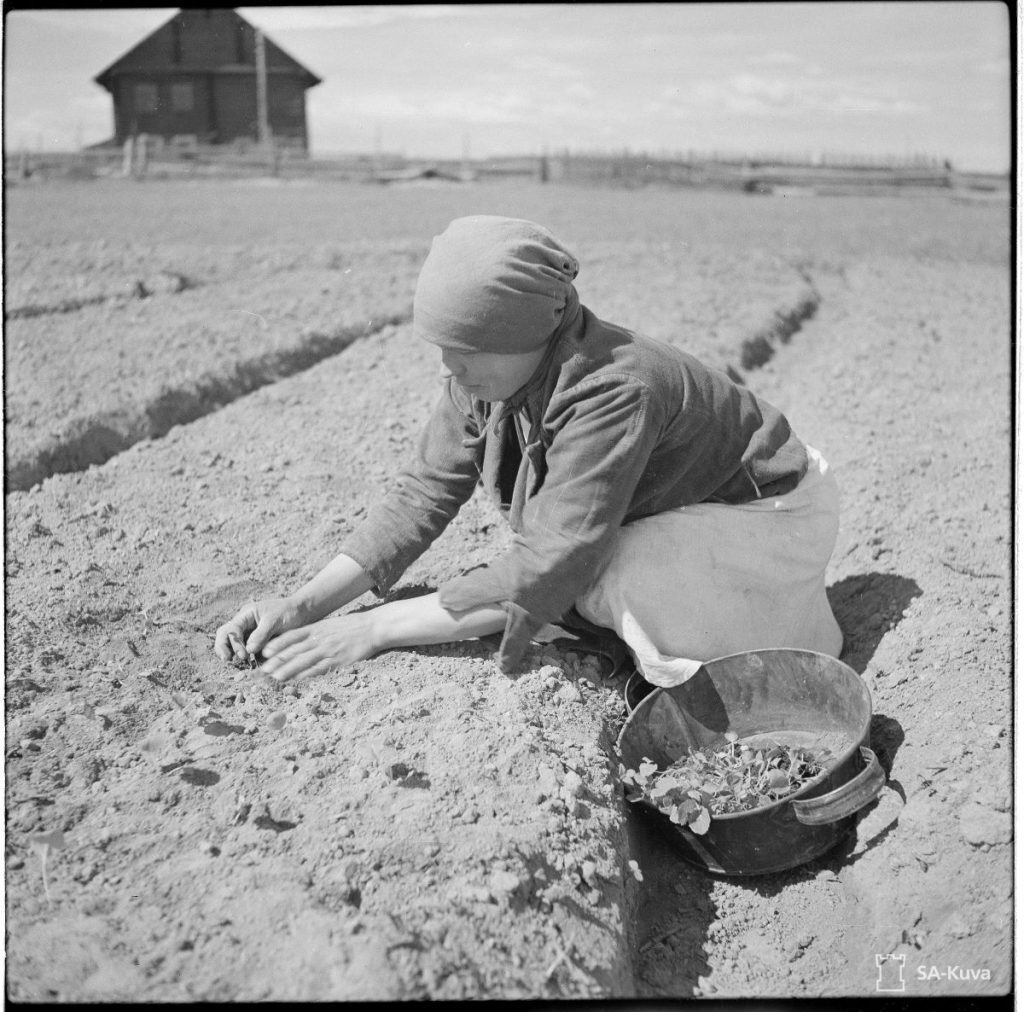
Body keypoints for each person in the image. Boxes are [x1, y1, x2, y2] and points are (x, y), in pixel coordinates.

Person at [214, 215, 843, 687]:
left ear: (528, 332)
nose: (449, 366)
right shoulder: (488, 377)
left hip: (767, 516)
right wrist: (304, 604)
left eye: (467, 348)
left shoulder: (612, 389)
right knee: (584, 576)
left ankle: (738, 638)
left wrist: (374, 627)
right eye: (442, 347)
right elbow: (422, 494)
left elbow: (554, 561)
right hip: (682, 504)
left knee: (603, 571)